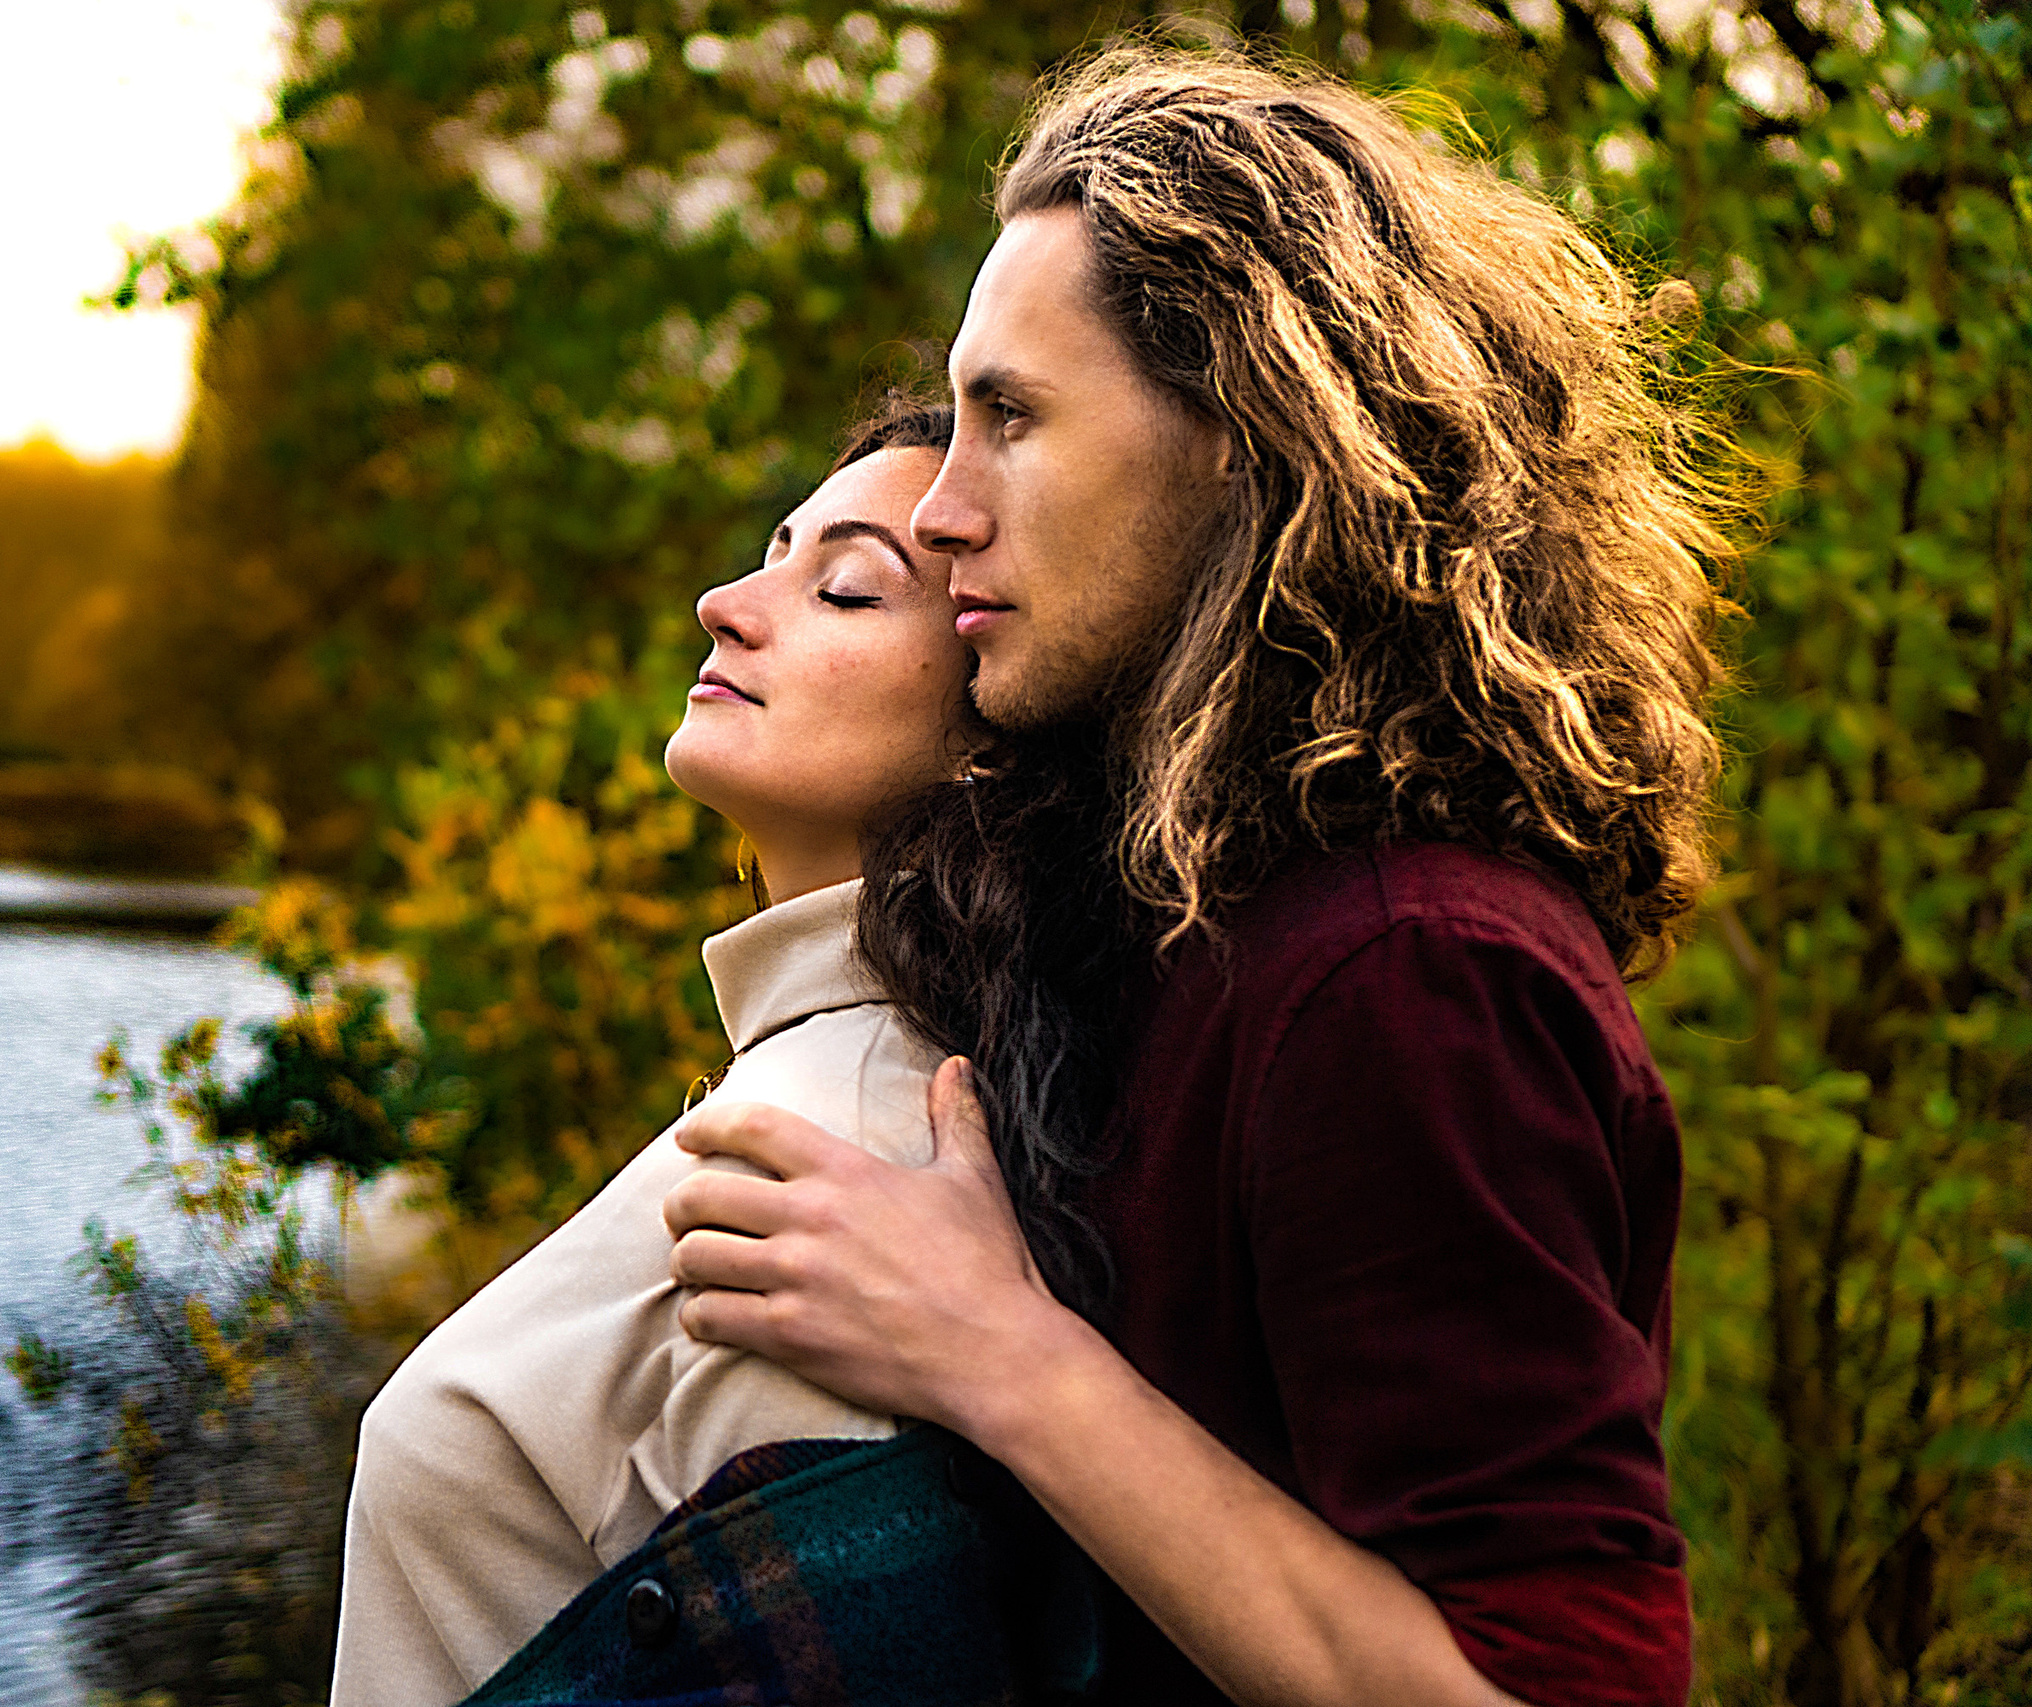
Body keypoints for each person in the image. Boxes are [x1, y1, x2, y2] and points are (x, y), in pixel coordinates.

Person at [663, 49, 1732, 1707]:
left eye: (1012, 419)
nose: (940, 511)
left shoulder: (1407, 967)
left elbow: (1549, 1689)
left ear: (1245, 433)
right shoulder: (1192, 904)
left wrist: (1004, 1356)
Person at [329, 404, 980, 1707]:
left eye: (847, 588)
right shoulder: (822, 1094)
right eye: (773, 551)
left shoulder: (828, 1174)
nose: (721, 605)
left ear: (1002, 720)